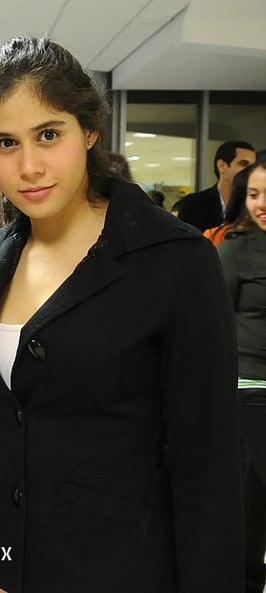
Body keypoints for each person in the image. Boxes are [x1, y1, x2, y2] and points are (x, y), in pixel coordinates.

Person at [0, 36, 242, 593]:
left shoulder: (173, 259)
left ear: (88, 131)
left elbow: (207, 464)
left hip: (119, 568)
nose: (30, 165)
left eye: (48, 135)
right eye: (5, 143)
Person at [216, 155, 266, 593]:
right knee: (250, 505)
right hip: (249, 391)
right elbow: (214, 325)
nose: (260, 204)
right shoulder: (235, 247)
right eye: (253, 194)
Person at [176, 140, 256, 231]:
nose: (251, 170)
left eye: (253, 166)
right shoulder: (194, 204)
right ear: (222, 166)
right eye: (244, 164)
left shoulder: (254, 205)